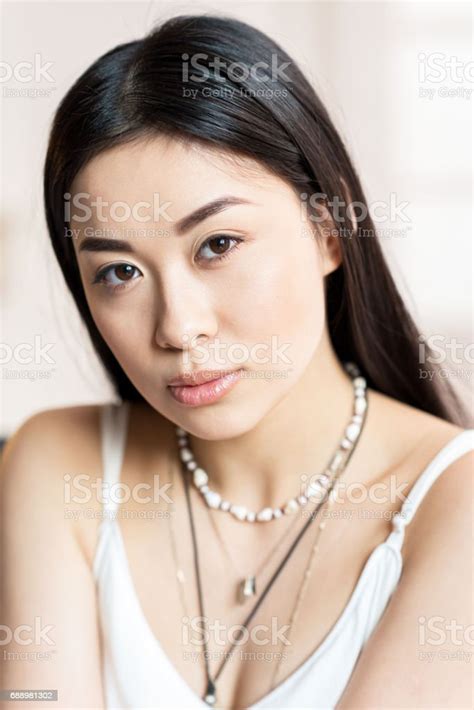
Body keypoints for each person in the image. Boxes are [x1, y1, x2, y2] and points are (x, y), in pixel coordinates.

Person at [1, 14, 472, 710]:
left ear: (329, 228)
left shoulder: (452, 505)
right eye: (121, 273)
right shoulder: (59, 464)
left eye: (218, 244)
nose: (179, 327)